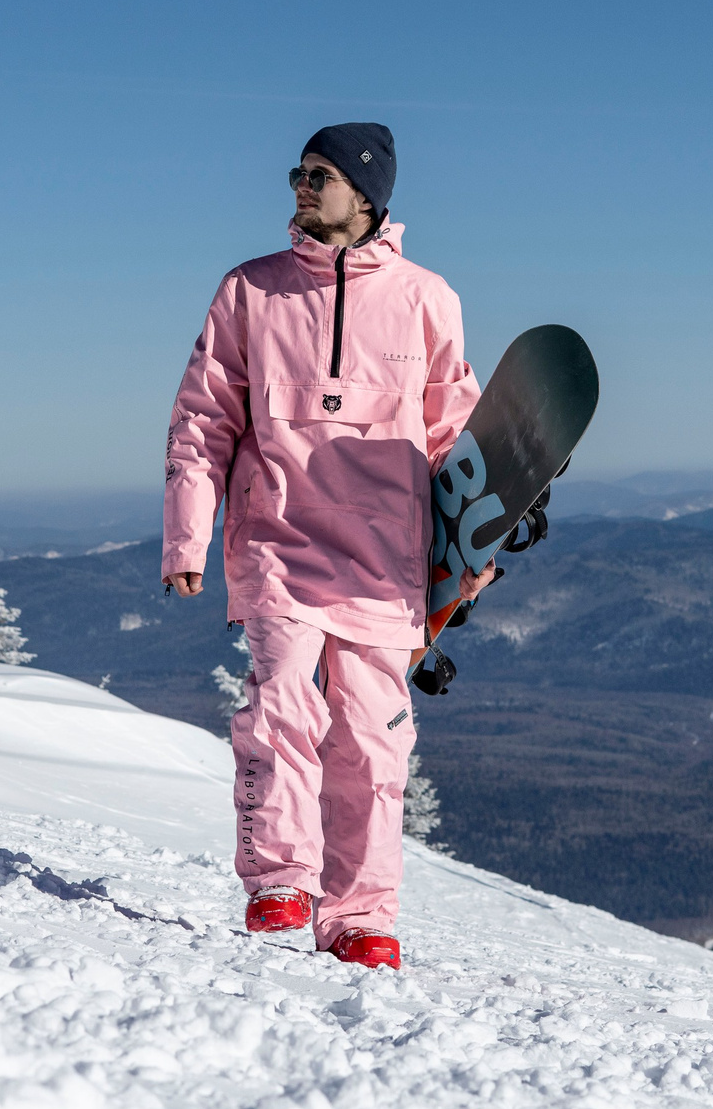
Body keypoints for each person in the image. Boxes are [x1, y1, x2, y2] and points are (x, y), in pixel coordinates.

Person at [161, 122, 490, 970]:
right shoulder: (250, 292)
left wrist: (480, 534)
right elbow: (205, 422)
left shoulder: (427, 299)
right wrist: (187, 534)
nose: (302, 187)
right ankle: (281, 879)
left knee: (374, 737)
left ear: (368, 192)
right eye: (299, 173)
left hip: (386, 558)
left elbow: (457, 428)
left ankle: (360, 914)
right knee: (281, 705)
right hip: (278, 542)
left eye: (321, 174)